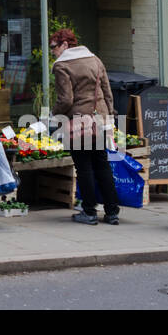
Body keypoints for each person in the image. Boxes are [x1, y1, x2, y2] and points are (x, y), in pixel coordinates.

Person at [51, 28, 121, 225]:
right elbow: (107, 92)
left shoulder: (62, 66)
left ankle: (89, 211)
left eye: (54, 47)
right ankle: (112, 211)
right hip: (100, 119)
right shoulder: (94, 59)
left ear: (65, 45)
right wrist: (110, 115)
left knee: (84, 168)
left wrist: (53, 114)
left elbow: (66, 100)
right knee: (102, 164)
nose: (53, 52)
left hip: (79, 122)